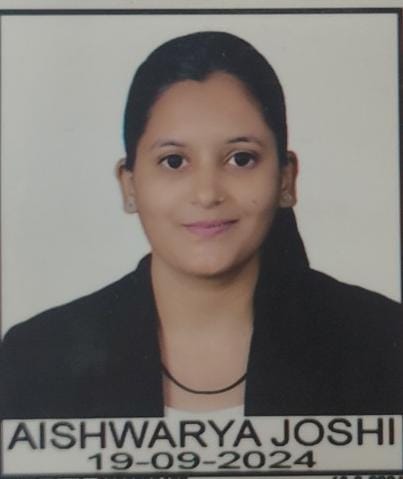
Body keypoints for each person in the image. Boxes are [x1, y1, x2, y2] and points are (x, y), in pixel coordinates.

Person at [1, 31, 402, 420]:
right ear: (129, 185)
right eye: (174, 161)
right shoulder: (35, 356)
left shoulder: (383, 340)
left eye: (241, 159)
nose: (207, 193)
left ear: (286, 179)